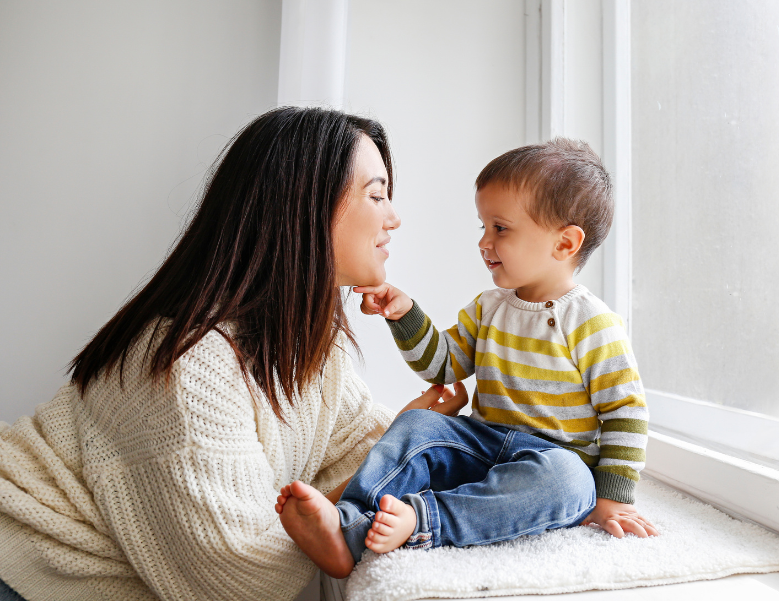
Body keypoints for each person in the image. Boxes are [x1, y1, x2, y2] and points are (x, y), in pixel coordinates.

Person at [0, 106, 465, 601]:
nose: (394, 217)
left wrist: (402, 443)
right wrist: (379, 462)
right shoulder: (189, 364)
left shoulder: (304, 349)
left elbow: (356, 454)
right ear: (305, 206)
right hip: (23, 569)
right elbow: (243, 579)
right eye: (377, 194)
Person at [276, 139, 658, 575]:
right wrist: (405, 315)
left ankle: (424, 520)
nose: (484, 241)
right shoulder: (488, 307)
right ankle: (346, 523)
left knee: (570, 482)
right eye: (482, 226)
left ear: (565, 244)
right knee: (419, 424)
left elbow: (626, 412)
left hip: (551, 460)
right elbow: (444, 365)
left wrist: (611, 499)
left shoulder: (593, 324)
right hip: (482, 444)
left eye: (500, 228)